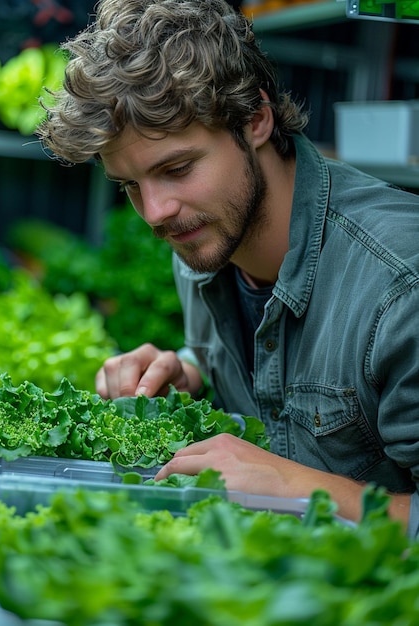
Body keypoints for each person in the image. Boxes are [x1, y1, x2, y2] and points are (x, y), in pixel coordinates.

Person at [37, 0, 419, 535]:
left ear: (256, 119)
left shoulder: (402, 286)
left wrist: (296, 487)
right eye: (130, 186)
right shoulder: (205, 240)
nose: (155, 213)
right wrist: (191, 372)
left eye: (177, 168)